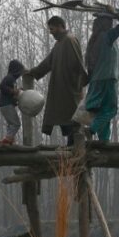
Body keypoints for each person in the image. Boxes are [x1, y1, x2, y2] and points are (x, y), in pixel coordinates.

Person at [24, 16, 88, 146]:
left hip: (70, 90)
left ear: (60, 26)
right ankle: (70, 150)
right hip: (60, 90)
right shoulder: (59, 43)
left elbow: (78, 65)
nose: (51, 32)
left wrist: (80, 85)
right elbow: (48, 63)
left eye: (52, 29)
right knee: (64, 119)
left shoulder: (70, 40)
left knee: (73, 120)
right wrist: (33, 72)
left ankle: (74, 151)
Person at [84, 7, 119, 142]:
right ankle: (91, 129)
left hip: (96, 81)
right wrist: (116, 13)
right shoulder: (107, 36)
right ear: (106, 23)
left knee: (102, 110)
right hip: (107, 79)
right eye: (110, 21)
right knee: (111, 109)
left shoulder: (94, 41)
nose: (111, 24)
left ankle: (104, 139)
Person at [0, 59, 25, 145]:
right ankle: (7, 139)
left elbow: (10, 93)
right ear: (15, 70)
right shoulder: (9, 77)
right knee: (16, 124)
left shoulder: (12, 80)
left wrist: (17, 93)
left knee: (11, 124)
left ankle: (9, 139)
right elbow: (1, 86)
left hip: (6, 105)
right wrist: (13, 91)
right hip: (6, 105)